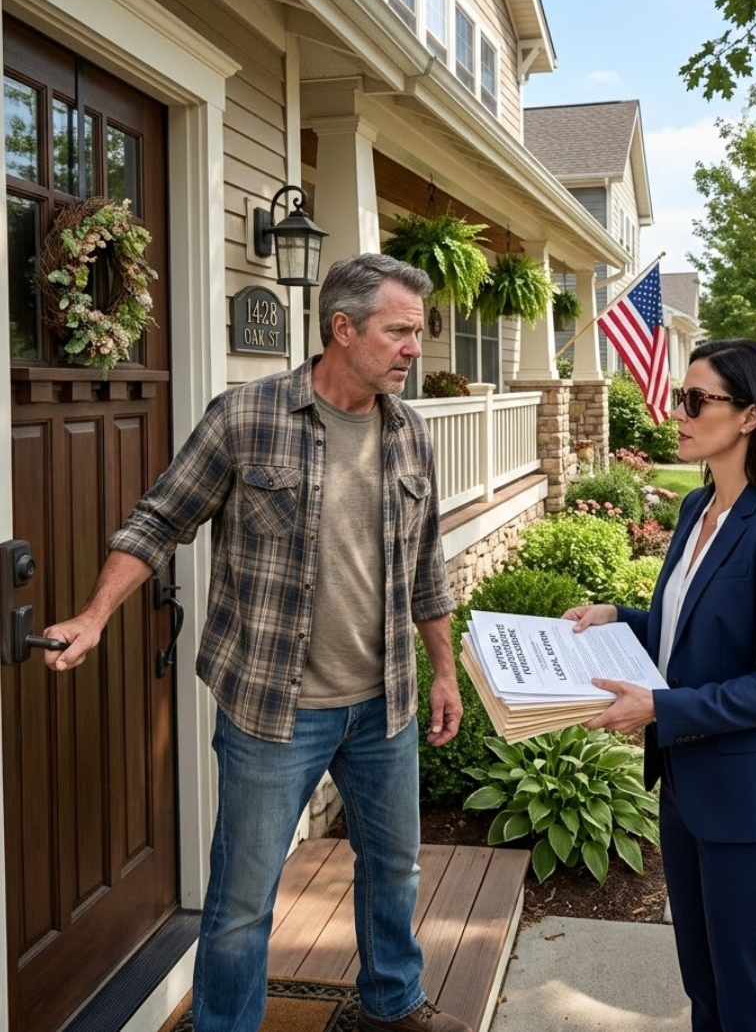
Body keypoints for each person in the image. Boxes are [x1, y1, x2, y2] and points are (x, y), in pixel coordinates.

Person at [42, 253, 473, 1032]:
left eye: (418, 332)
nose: (415, 348)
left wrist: (443, 673)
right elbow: (158, 521)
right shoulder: (247, 415)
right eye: (400, 332)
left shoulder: (409, 432)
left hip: (385, 704)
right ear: (342, 329)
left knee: (394, 871)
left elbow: (425, 567)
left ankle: (391, 1004)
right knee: (242, 902)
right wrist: (95, 613)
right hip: (275, 708)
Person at [564, 339, 756, 1032]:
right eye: (679, 397)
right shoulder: (697, 510)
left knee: (751, 1003)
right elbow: (692, 633)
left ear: (747, 416)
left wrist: (659, 707)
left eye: (693, 400)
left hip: (749, 807)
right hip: (685, 790)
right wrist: (621, 617)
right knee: (704, 990)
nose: (675, 413)